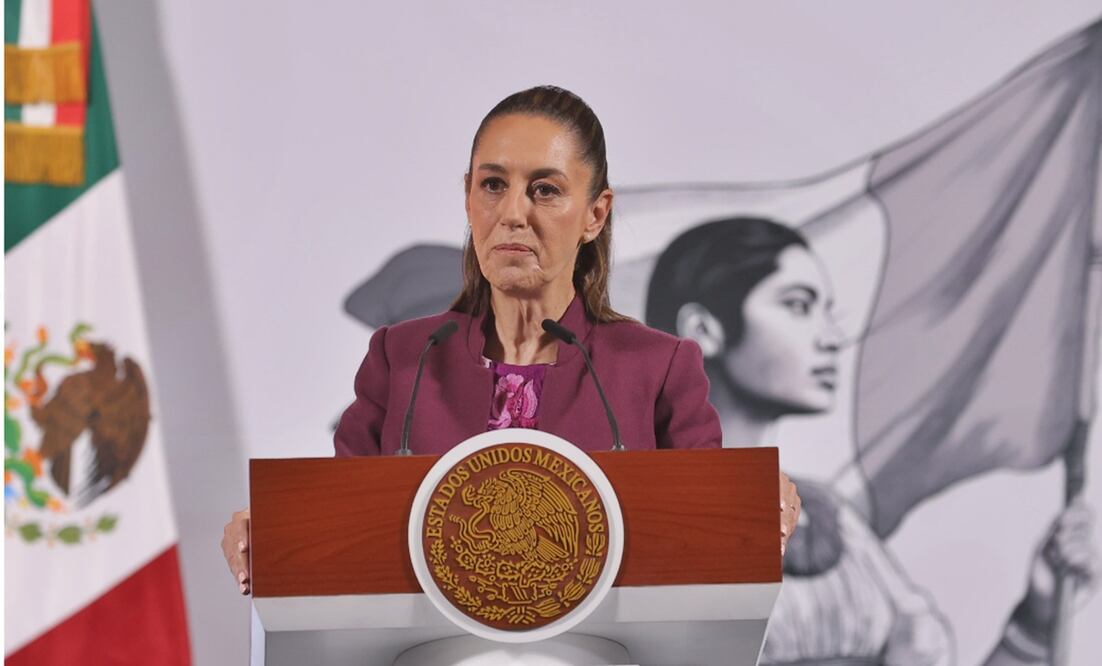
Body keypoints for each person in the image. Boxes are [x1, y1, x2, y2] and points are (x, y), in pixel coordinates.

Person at [222, 87, 802, 595]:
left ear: (596, 214)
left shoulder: (657, 367)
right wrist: (270, 529)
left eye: (545, 190)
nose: (512, 214)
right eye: (493, 184)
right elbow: (342, 523)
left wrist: (750, 498)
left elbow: (711, 528)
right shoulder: (403, 358)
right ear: (469, 200)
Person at [646, 217, 1098, 665]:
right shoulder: (638, 517)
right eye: (799, 306)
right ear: (704, 331)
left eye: (828, 312)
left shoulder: (831, 517)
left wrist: (1036, 617)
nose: (832, 338)